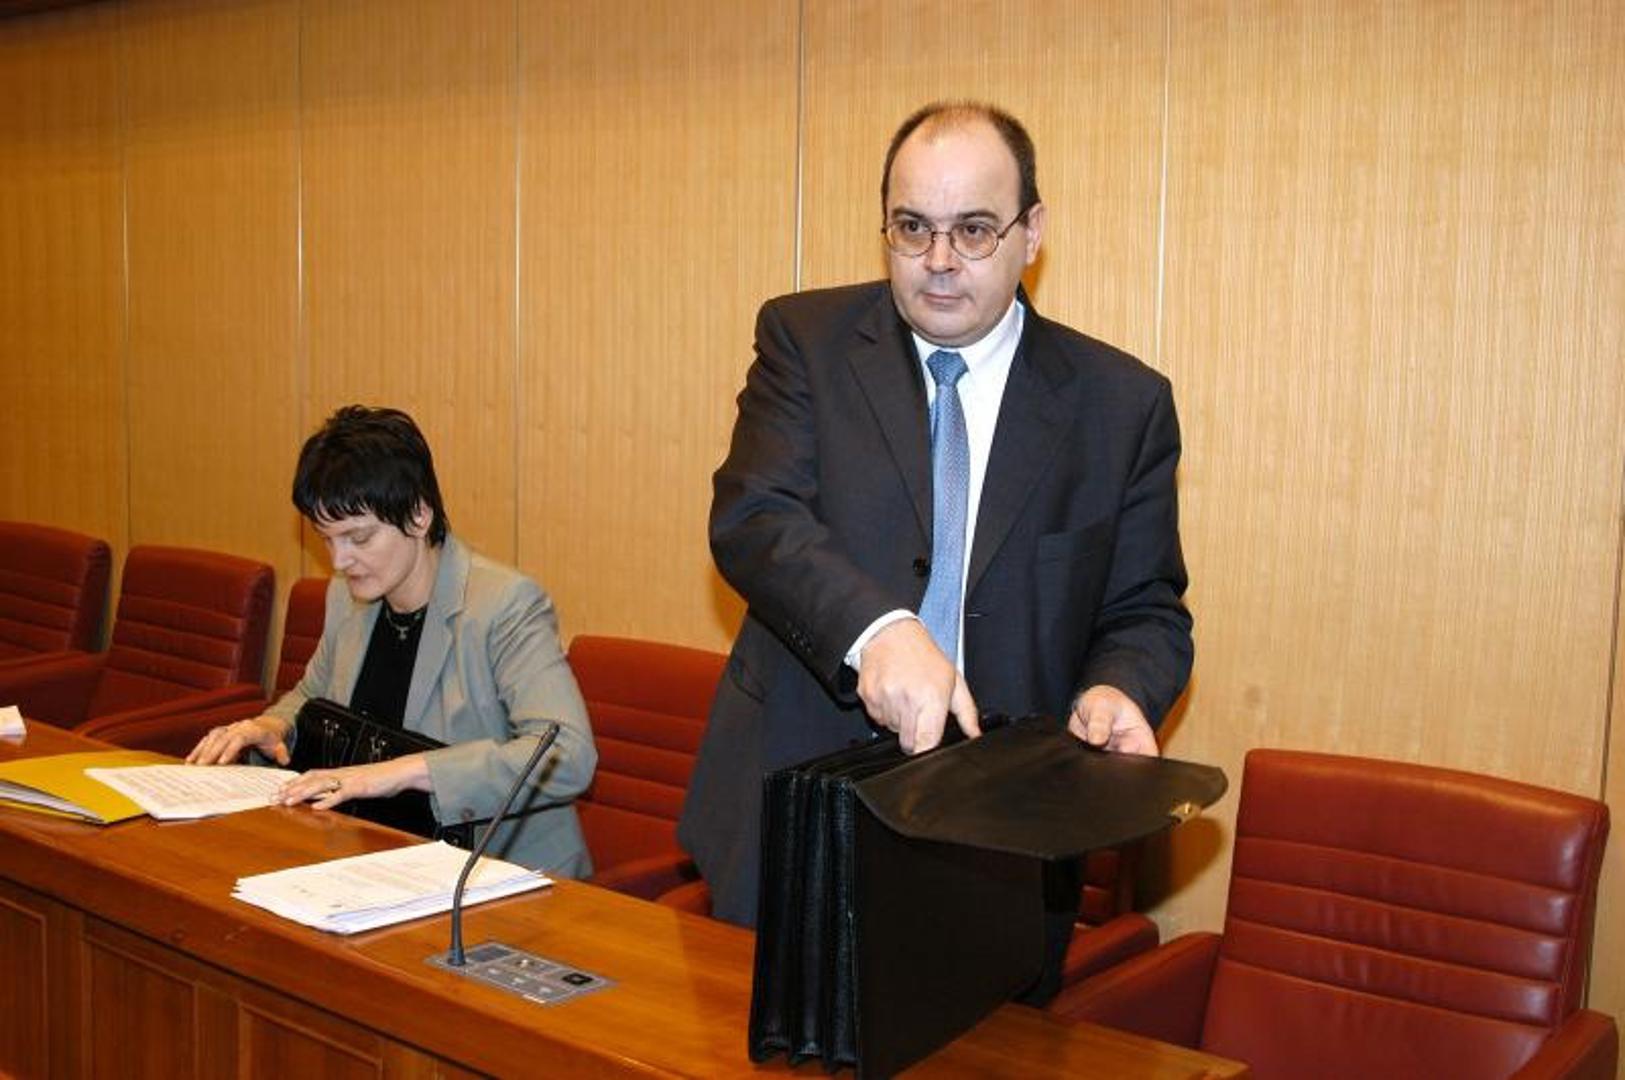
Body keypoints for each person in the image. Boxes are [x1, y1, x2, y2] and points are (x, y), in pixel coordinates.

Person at [678, 102, 1193, 963]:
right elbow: (755, 516)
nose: (939, 261)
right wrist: (877, 633)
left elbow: (1144, 609)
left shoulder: (1119, 405)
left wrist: (1119, 688)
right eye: (912, 228)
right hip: (795, 808)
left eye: (974, 230)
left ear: (1032, 232)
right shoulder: (805, 341)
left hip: (1002, 838)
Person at [188, 405, 598, 877]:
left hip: (497, 873)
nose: (340, 560)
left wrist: (396, 772)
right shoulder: (347, 599)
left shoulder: (503, 606)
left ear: (419, 515)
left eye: (359, 538)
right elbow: (312, 694)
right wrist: (272, 727)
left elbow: (568, 756)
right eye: (327, 538)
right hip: (382, 858)